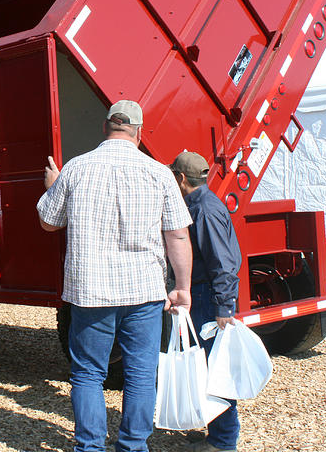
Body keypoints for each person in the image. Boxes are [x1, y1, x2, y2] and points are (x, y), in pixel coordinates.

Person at [37, 100, 194, 452]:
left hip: (90, 293)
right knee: (140, 374)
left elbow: (48, 222)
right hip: (144, 293)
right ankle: (133, 446)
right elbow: (178, 235)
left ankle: (90, 447)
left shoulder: (76, 170)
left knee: (89, 374)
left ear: (105, 127)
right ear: (138, 133)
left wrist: (53, 185)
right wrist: (182, 287)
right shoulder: (159, 174)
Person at [168, 151, 242, 452]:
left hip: (207, 296)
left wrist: (224, 307)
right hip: (207, 294)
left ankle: (223, 441)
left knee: (214, 369)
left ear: (181, 179)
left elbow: (222, 263)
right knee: (206, 366)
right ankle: (217, 432)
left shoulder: (205, 211)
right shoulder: (204, 204)